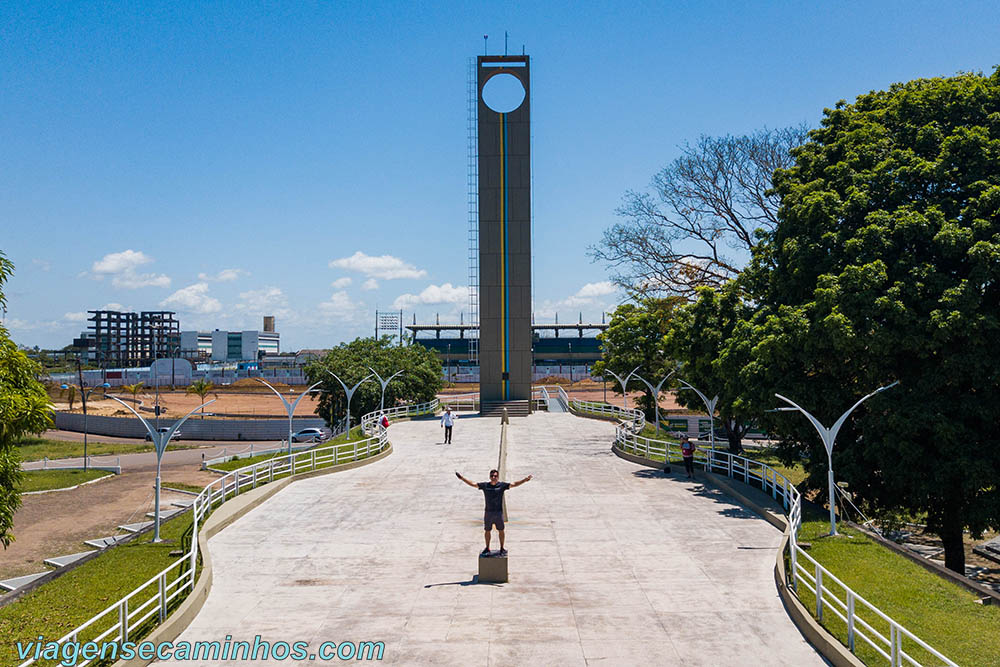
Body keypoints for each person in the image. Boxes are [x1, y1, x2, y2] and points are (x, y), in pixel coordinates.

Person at [456, 469, 532, 556]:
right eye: (492, 476)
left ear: (498, 477)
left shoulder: (502, 485)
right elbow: (473, 484)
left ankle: (502, 548)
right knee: (487, 531)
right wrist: (462, 478)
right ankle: (487, 547)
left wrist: (524, 480)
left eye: (495, 476)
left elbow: (514, 484)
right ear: (489, 477)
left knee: (501, 530)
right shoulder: (485, 485)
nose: (493, 477)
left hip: (498, 513)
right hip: (488, 513)